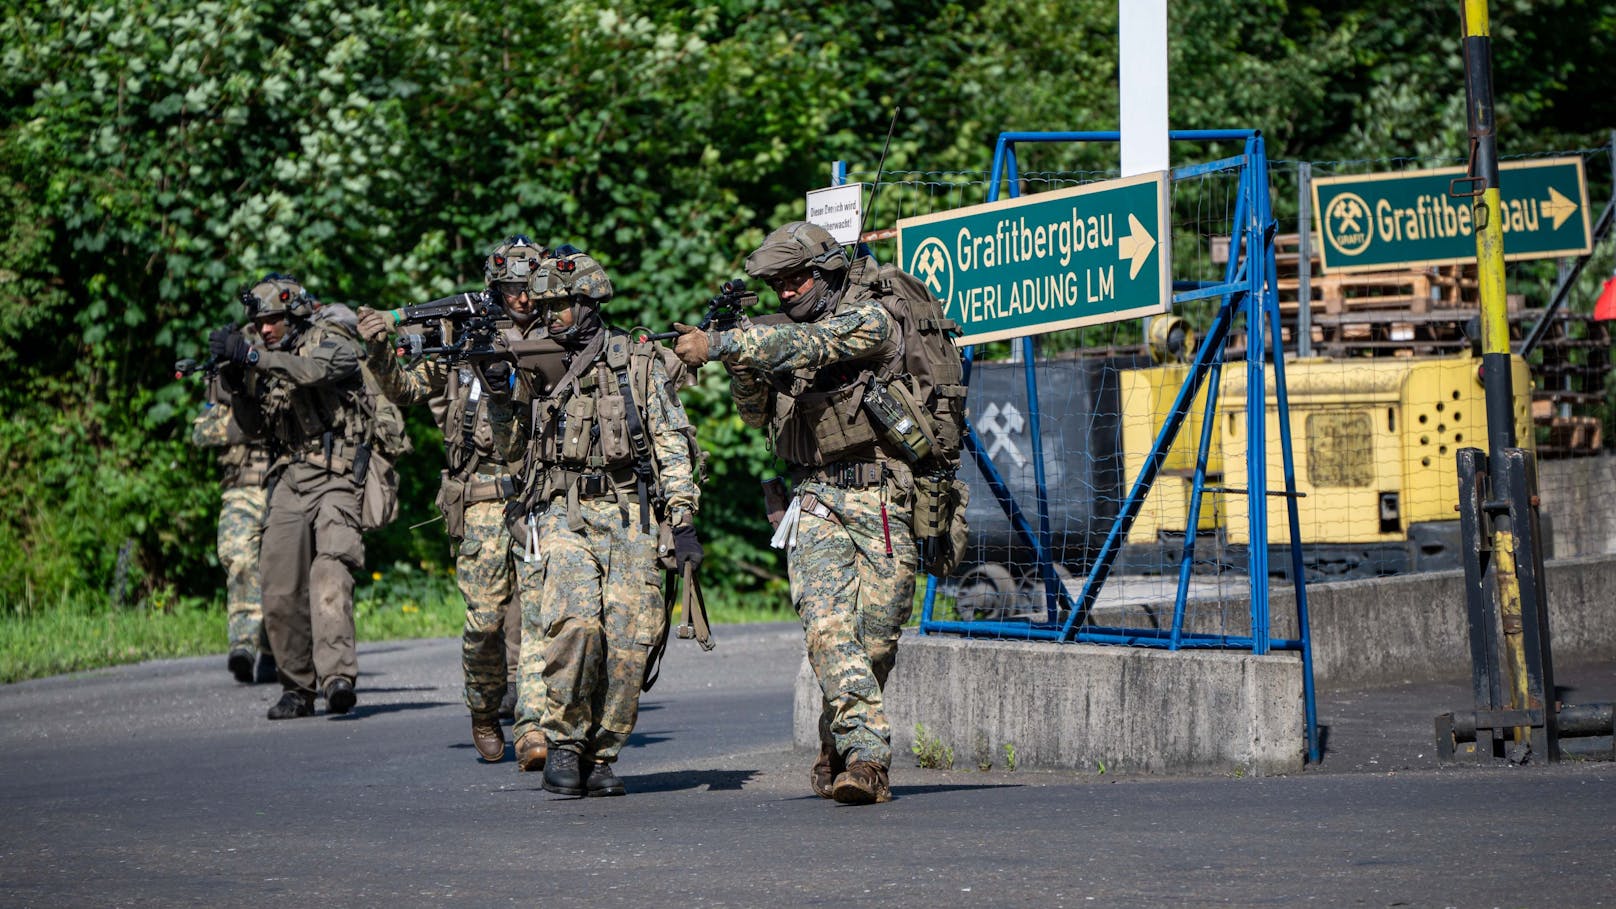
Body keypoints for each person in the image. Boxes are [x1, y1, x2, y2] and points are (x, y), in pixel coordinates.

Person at [673, 221, 915, 805]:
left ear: (827, 271)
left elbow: (815, 345)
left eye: (796, 279)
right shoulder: (778, 336)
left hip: (881, 496)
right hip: (813, 501)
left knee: (877, 638)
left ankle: (838, 742)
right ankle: (868, 760)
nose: (786, 292)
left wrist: (726, 344)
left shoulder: (872, 317)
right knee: (828, 629)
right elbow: (757, 417)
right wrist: (740, 366)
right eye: (777, 284)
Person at [513, 249, 703, 797]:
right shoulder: (535, 365)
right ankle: (566, 743)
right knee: (575, 625)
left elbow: (671, 442)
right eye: (545, 305)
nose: (550, 315)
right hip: (564, 509)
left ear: (590, 304)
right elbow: (508, 440)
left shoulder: (636, 362)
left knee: (630, 641)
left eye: (562, 306)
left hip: (631, 512)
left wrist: (683, 522)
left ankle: (602, 752)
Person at [355, 236, 545, 763]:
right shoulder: (461, 339)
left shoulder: (558, 333)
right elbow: (407, 389)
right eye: (511, 288)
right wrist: (377, 347)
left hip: (540, 491)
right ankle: (484, 708)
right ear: (495, 288)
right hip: (479, 494)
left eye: (528, 287)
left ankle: (534, 726)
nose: (522, 298)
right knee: (484, 622)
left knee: (542, 616)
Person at [213, 273, 377, 720]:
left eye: (272, 320)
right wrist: (233, 377)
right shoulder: (267, 357)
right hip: (289, 476)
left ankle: (338, 678)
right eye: (258, 323)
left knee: (329, 572)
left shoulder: (332, 337)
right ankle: (296, 687)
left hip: (337, 474)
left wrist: (254, 357)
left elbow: (316, 372)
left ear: (294, 313)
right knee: (278, 584)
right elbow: (251, 427)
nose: (264, 329)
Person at [189, 323, 277, 685]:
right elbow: (202, 431)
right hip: (241, 486)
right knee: (238, 559)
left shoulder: (283, 370)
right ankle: (243, 645)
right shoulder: (224, 380)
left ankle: (273, 650)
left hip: (281, 484)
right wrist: (249, 420)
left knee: (281, 572)